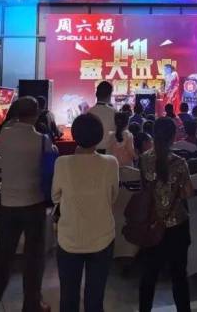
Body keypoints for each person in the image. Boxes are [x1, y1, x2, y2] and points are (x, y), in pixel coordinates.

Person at [0, 97, 54, 312]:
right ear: (37, 114)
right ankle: (32, 304)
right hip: (34, 204)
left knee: (2, 259)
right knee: (34, 258)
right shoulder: (42, 140)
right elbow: (49, 170)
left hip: (7, 204)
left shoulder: (4, 135)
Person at [52, 114, 119, 312]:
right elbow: (113, 196)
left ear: (74, 134)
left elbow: (55, 197)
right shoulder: (111, 163)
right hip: (102, 237)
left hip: (69, 237)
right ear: (99, 136)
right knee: (95, 298)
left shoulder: (62, 163)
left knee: (68, 297)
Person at [138, 117, 194, 312]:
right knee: (179, 275)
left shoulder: (144, 159)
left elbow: (144, 188)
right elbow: (188, 193)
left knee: (149, 275)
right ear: (173, 136)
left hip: (152, 224)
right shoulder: (180, 162)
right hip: (177, 224)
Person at [88, 81, 116, 153]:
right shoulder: (114, 112)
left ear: (96, 94)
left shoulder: (89, 112)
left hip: (92, 152)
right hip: (110, 153)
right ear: (110, 95)